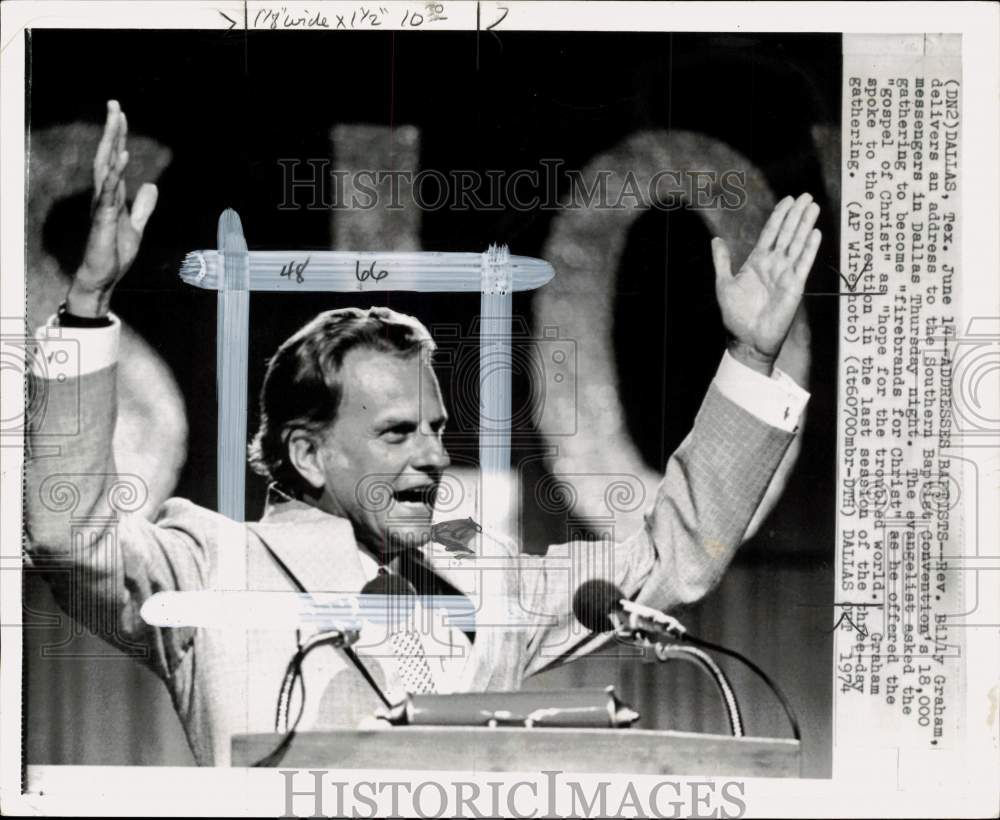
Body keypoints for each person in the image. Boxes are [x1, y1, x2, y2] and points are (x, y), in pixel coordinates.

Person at [25, 101, 821, 766]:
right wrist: (87, 306)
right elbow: (67, 539)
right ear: (307, 452)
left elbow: (670, 561)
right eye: (399, 432)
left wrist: (752, 356)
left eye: (438, 429)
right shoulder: (206, 569)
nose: (436, 456)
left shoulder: (486, 585)